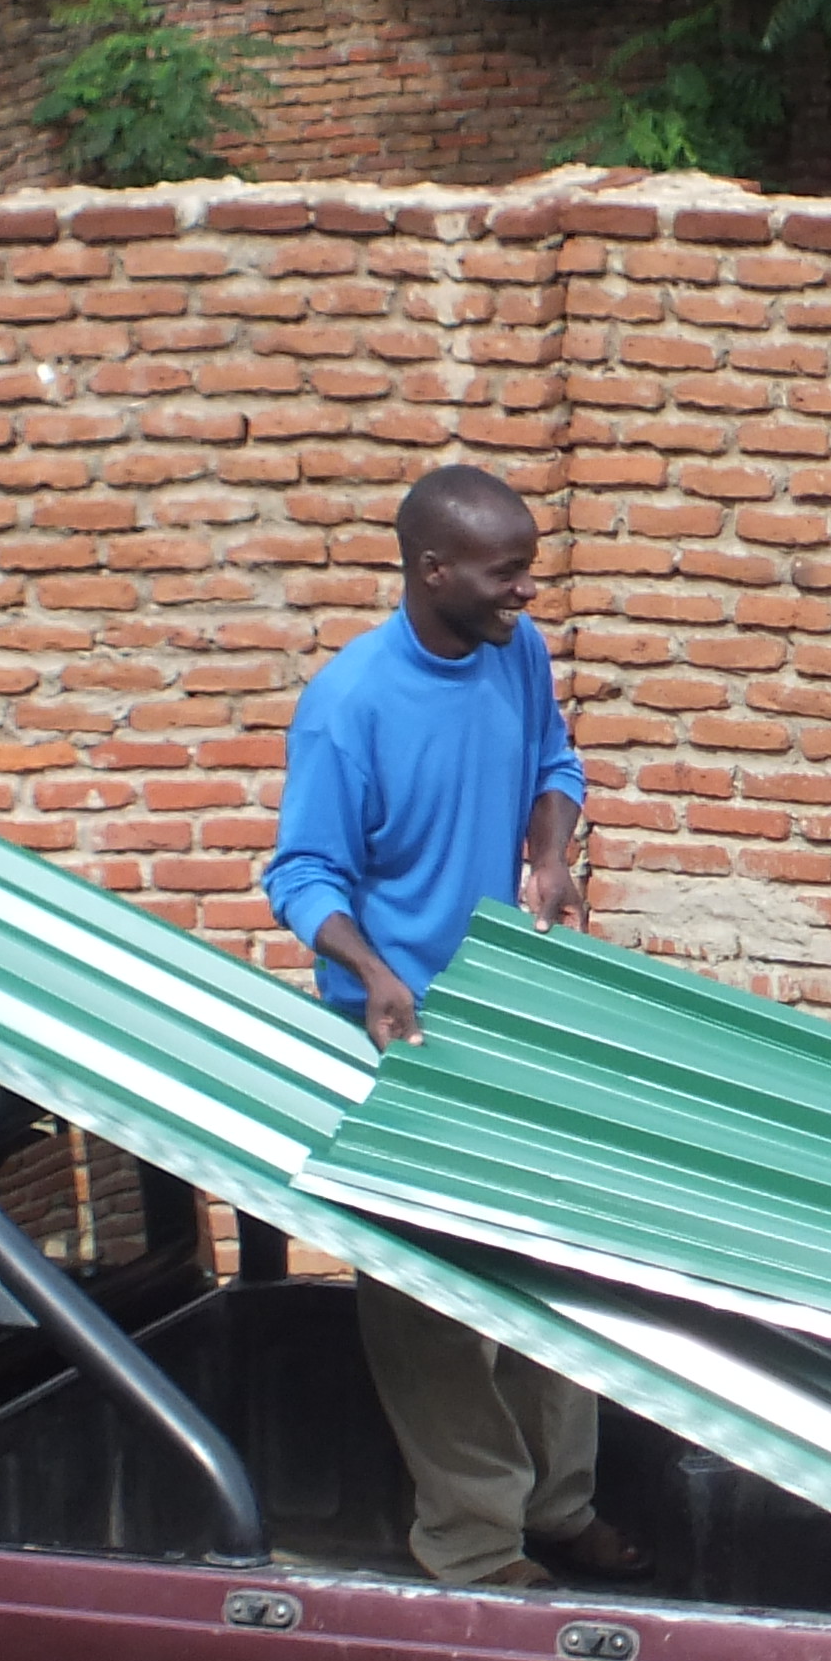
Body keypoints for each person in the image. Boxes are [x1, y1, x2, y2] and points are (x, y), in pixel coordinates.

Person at [263, 464, 648, 1592]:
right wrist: (373, 974)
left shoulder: (512, 654)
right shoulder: (349, 707)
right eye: (506, 572)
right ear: (433, 571)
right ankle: (477, 1549)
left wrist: (548, 854)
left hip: (504, 1011)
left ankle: (559, 1506)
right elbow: (301, 875)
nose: (527, 592)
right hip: (401, 1036)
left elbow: (555, 761)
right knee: (430, 1304)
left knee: (549, 1260)